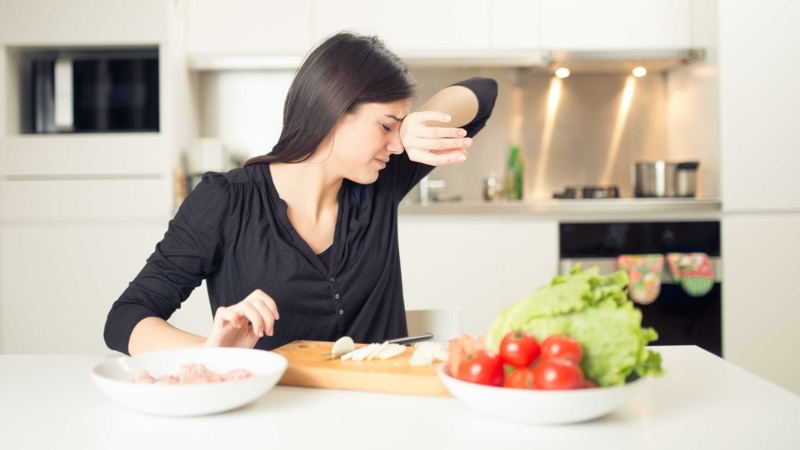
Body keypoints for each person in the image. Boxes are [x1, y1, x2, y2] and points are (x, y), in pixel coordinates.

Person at [103, 31, 498, 356]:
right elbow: (126, 319)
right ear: (334, 112)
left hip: (383, 413)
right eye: (385, 126)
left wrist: (413, 124)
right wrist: (217, 355)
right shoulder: (225, 201)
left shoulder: (380, 180)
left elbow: (483, 93)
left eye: (400, 129)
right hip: (278, 418)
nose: (397, 145)